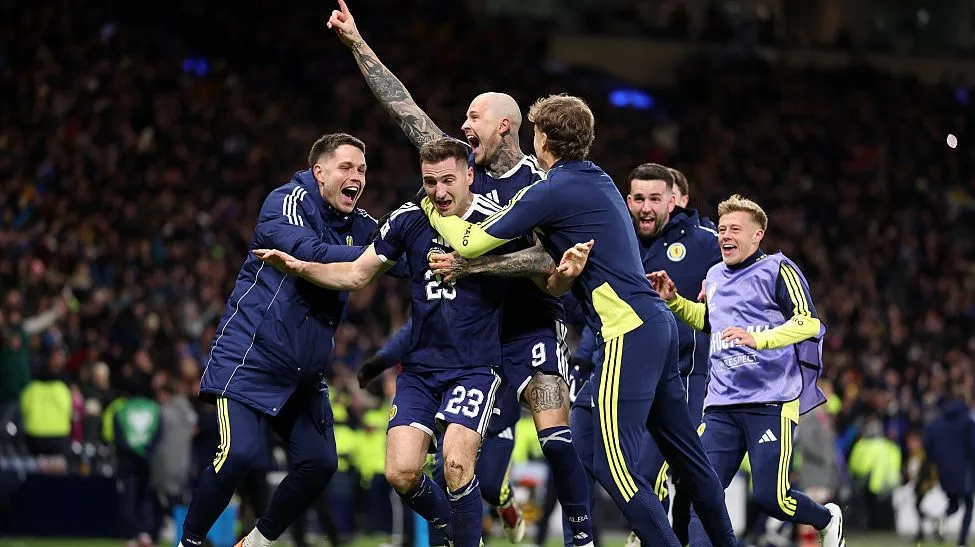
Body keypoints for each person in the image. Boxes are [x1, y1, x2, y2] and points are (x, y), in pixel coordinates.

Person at [418, 94, 739, 547]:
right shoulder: (598, 179)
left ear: (543, 138)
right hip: (655, 325)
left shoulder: (553, 189)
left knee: (613, 467)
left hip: (626, 331)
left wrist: (431, 207)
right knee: (681, 457)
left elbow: (470, 243)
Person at [327, 3, 595, 543]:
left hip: (530, 324)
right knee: (462, 466)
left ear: (503, 126)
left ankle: (582, 536)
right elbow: (402, 105)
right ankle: (480, 512)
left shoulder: (538, 184)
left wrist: (473, 265)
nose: (462, 124)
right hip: (473, 334)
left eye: (472, 117)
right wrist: (357, 41)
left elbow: (547, 261)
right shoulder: (456, 170)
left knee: (554, 435)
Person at [254, 138, 591, 547]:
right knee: (401, 473)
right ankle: (460, 529)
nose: (440, 192)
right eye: (430, 182)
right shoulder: (408, 220)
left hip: (475, 368)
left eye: (448, 180)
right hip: (419, 371)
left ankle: (473, 537)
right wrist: (300, 265)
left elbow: (544, 279)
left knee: (455, 464)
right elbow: (356, 275)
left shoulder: (500, 224)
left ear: (470, 176)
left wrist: (566, 275)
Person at [179, 133, 387, 547]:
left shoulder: (363, 226)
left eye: (362, 170)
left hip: (304, 374)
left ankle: (256, 542)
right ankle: (189, 542)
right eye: (346, 167)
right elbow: (309, 250)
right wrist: (378, 253)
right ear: (319, 171)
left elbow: (398, 255)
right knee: (239, 453)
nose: (357, 177)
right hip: (250, 357)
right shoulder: (287, 202)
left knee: (321, 462)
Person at [648, 193, 845, 547]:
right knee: (700, 492)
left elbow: (808, 324)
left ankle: (826, 517)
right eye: (722, 229)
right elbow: (709, 321)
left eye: (735, 229)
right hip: (722, 403)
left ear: (758, 235)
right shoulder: (714, 275)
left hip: (771, 400)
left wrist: (760, 340)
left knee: (772, 498)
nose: (725, 235)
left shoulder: (778, 269)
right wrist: (675, 302)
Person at [358, 319, 528, 544]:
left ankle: (503, 497)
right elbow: (417, 326)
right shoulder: (445, 305)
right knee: (447, 473)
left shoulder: (499, 300)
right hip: (455, 397)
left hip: (499, 406)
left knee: (490, 487)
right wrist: (383, 359)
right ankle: (451, 539)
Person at [923, 385, 975, 547]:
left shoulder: (938, 421)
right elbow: (973, 447)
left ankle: (941, 516)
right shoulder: (967, 421)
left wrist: (935, 460)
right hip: (964, 471)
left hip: (944, 471)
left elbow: (927, 443)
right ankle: (962, 542)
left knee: (954, 504)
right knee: (968, 504)